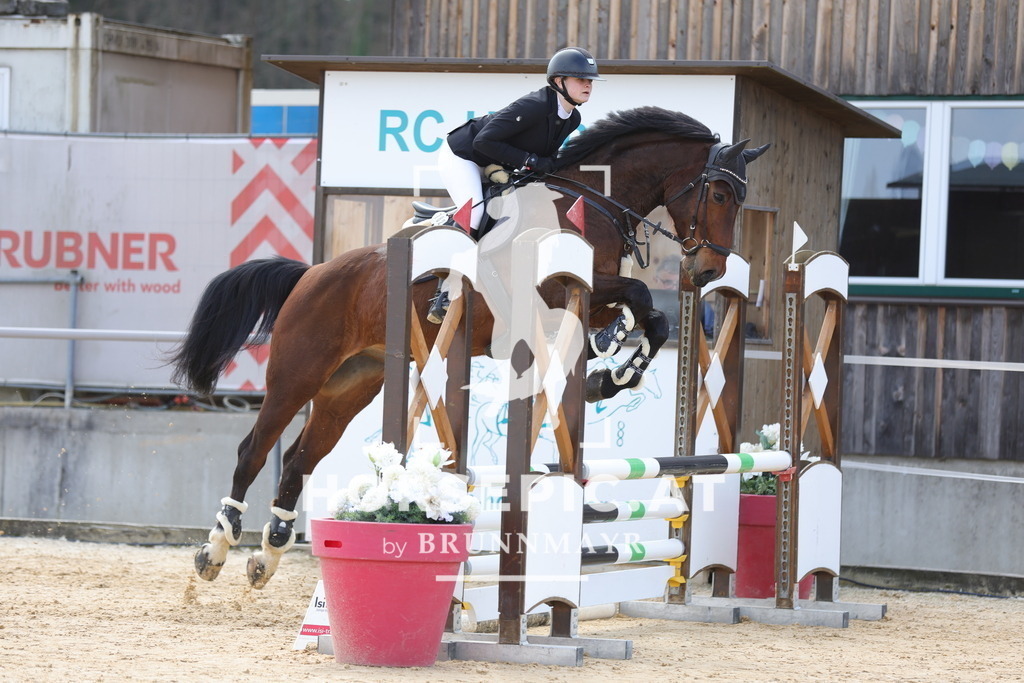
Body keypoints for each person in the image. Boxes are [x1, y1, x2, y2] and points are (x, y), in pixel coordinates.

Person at [428, 47, 603, 323]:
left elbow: (542, 159)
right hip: (463, 156)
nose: (587, 85)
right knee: (474, 211)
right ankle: (444, 291)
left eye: (590, 80)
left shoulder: (573, 118)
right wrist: (530, 160)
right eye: (580, 79)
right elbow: (483, 142)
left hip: (497, 163)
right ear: (558, 82)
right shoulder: (534, 106)